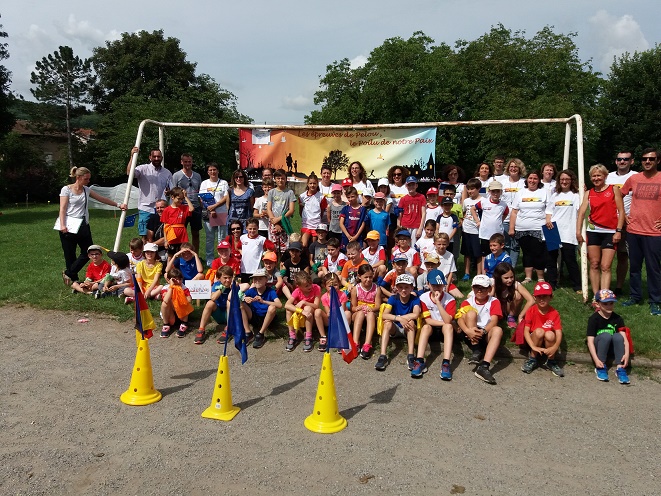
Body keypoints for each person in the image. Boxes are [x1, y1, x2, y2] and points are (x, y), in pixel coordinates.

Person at [58, 166, 127, 286]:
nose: (88, 181)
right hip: (68, 226)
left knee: (88, 251)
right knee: (70, 253)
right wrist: (62, 225)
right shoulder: (66, 190)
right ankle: (73, 279)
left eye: (89, 179)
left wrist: (118, 204)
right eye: (86, 179)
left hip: (83, 225)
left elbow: (102, 199)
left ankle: (69, 273)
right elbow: (62, 209)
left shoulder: (86, 190)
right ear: (78, 177)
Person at [619, 148, 661, 315]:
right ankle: (635, 296)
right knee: (635, 267)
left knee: (653, 268)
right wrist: (624, 216)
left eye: (651, 159)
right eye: (644, 159)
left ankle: (655, 301)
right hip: (634, 230)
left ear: (658, 161)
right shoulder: (634, 178)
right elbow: (619, 194)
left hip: (654, 233)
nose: (647, 162)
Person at [576, 164, 625, 302]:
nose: (596, 178)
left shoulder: (613, 189)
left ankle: (605, 295)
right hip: (593, 231)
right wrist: (578, 232)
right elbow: (581, 213)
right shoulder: (589, 193)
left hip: (610, 232)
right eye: (594, 176)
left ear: (605, 176)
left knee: (605, 266)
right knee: (595, 263)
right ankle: (596, 296)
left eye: (599, 175)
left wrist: (618, 231)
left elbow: (621, 211)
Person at [456, 274, 503, 385]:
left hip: (485, 332)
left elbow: (494, 320)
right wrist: (468, 331)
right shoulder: (468, 301)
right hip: (470, 332)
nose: (480, 290)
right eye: (477, 287)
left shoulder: (494, 301)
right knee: (471, 313)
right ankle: (476, 349)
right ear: (473, 288)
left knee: (498, 330)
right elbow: (460, 319)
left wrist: (484, 331)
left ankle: (484, 366)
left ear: (489, 289)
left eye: (483, 287)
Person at [412, 269, 457, 380]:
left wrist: (438, 303)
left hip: (445, 331)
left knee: (448, 326)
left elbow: (448, 321)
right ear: (428, 284)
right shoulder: (423, 298)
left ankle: (446, 363)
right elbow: (428, 320)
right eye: (434, 285)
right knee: (426, 327)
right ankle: (420, 360)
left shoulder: (450, 299)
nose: (437, 288)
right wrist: (445, 322)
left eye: (439, 285)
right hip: (431, 328)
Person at [509, 170, 552, 284]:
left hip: (538, 228)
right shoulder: (521, 192)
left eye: (535, 179)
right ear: (527, 180)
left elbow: (549, 210)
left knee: (538, 253)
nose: (532, 181)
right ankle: (528, 277)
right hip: (521, 228)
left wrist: (548, 220)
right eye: (530, 178)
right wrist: (511, 228)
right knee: (526, 253)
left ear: (539, 180)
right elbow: (514, 211)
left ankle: (540, 278)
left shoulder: (544, 192)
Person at [375, 273, 421, 372]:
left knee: (412, 323)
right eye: (400, 287)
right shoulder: (393, 298)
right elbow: (384, 315)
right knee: (387, 323)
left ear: (411, 288)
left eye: (406, 287)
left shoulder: (415, 299)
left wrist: (401, 318)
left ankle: (410, 355)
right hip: (395, 327)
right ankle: (383, 355)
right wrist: (399, 319)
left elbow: (416, 314)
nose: (403, 290)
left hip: (407, 328)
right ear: (396, 288)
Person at [606, 150, 637, 296]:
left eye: (626, 159)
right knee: (605, 256)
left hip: (628, 222)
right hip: (608, 222)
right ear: (615, 161)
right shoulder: (608, 177)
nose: (622, 161)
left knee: (623, 255)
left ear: (632, 161)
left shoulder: (636, 176)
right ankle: (604, 285)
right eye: (619, 159)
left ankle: (618, 286)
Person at [546, 170, 581, 292]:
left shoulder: (576, 196)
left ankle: (577, 285)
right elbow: (549, 211)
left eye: (567, 179)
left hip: (568, 232)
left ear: (571, 181)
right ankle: (551, 283)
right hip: (552, 231)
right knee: (551, 260)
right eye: (562, 179)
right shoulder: (554, 195)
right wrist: (548, 220)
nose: (564, 182)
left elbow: (580, 213)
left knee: (570, 260)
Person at [520, 282, 564, 377]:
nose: (542, 299)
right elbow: (526, 331)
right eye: (539, 296)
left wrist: (555, 347)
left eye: (545, 296)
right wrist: (533, 346)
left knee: (550, 334)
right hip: (534, 339)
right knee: (539, 331)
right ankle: (532, 358)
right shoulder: (531, 310)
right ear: (534, 297)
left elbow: (559, 332)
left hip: (548, 341)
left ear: (551, 297)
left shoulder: (554, 313)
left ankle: (551, 360)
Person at [587, 289, 631, 384]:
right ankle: (601, 366)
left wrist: (627, 354)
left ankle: (621, 368)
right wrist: (596, 359)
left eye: (611, 303)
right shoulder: (593, 319)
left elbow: (625, 339)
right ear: (598, 304)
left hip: (612, 347)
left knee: (618, 336)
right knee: (606, 336)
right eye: (605, 304)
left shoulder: (618, 318)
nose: (609, 306)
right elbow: (590, 341)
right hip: (599, 345)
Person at [127, 147, 172, 238]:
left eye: (158, 157)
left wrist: (169, 192)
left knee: (162, 235)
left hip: (161, 209)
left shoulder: (167, 173)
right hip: (146, 208)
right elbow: (129, 173)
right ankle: (145, 252)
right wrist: (132, 156)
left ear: (161, 158)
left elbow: (171, 189)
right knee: (145, 237)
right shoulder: (143, 169)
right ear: (150, 157)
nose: (156, 159)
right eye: (154, 156)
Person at [235, 268, 282, 349]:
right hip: (254, 316)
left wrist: (263, 301)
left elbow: (280, 305)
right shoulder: (251, 291)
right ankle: (248, 332)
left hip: (267, 317)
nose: (257, 281)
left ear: (266, 280)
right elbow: (237, 298)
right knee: (241, 304)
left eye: (260, 279)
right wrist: (244, 299)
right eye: (255, 279)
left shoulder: (271, 291)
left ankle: (261, 334)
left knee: (272, 308)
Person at [171, 153, 203, 253]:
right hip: (182, 207)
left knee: (196, 232)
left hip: (196, 207)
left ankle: (195, 254)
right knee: (181, 232)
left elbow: (200, 191)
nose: (188, 164)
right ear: (181, 162)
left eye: (189, 161)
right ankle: (180, 253)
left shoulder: (197, 176)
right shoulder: (176, 175)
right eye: (185, 162)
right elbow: (173, 190)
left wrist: (201, 206)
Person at [199, 162, 229, 266]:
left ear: (218, 171)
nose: (213, 172)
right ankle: (210, 260)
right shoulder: (204, 183)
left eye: (214, 169)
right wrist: (211, 210)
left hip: (221, 212)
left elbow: (226, 197)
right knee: (209, 238)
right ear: (208, 172)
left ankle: (222, 258)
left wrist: (215, 206)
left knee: (222, 237)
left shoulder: (224, 183)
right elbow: (202, 198)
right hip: (209, 213)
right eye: (210, 170)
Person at [351, 264, 382, 360]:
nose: (368, 279)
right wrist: (356, 308)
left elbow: (378, 306)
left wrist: (372, 309)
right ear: (359, 276)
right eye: (366, 277)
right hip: (358, 313)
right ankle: (355, 342)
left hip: (370, 312)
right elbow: (353, 307)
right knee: (360, 314)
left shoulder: (376, 289)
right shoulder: (356, 289)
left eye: (370, 277)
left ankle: (367, 344)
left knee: (370, 314)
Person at [285, 271, 321, 352]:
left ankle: (308, 336)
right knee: (288, 310)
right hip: (301, 317)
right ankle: (292, 336)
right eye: (306, 286)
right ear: (299, 286)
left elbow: (316, 306)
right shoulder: (297, 291)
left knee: (307, 308)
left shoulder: (316, 288)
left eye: (310, 283)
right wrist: (301, 311)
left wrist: (304, 302)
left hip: (312, 317)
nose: (310, 286)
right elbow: (287, 305)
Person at [315, 273, 352, 352]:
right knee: (317, 311)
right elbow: (327, 311)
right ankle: (323, 336)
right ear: (325, 286)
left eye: (335, 285)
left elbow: (342, 309)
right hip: (330, 319)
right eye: (329, 286)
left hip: (340, 319)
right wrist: (330, 313)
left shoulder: (342, 295)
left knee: (347, 313)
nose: (333, 288)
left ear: (339, 284)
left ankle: (342, 337)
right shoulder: (324, 297)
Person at [197, 266, 234, 344]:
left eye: (230, 277)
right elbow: (213, 298)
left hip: (231, 315)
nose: (228, 280)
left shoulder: (234, 285)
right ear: (219, 278)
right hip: (220, 313)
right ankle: (201, 330)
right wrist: (222, 288)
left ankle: (229, 330)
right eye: (225, 278)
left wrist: (234, 287)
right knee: (210, 303)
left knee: (230, 302)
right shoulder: (216, 285)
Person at [471, 181, 508, 260]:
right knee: (485, 255)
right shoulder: (484, 202)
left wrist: (499, 221)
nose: (495, 193)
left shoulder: (503, 204)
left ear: (501, 192)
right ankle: (484, 272)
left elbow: (506, 213)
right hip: (485, 234)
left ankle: (496, 271)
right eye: (493, 191)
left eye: (497, 191)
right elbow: (473, 209)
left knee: (498, 253)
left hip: (498, 234)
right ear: (489, 191)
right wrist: (478, 221)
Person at [493, 262, 534, 329]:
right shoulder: (492, 283)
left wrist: (521, 315)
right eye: (506, 278)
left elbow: (531, 300)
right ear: (499, 277)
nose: (510, 280)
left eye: (511, 277)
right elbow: (472, 295)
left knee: (517, 295)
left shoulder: (515, 284)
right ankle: (494, 317)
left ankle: (511, 317)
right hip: (497, 308)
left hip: (509, 308)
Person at [159, 267, 194, 338]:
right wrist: (171, 287)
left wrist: (182, 295)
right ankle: (166, 324)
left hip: (181, 314)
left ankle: (184, 324)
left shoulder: (184, 288)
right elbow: (165, 300)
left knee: (185, 302)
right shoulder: (166, 288)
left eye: (180, 279)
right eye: (175, 280)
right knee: (164, 304)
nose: (178, 282)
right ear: (169, 280)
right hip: (170, 314)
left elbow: (189, 300)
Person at [267, 169, 296, 253]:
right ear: (274, 179)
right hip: (273, 223)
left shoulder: (290, 192)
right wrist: (275, 222)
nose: (280, 180)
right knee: (272, 248)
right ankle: (273, 265)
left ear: (286, 179)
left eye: (282, 178)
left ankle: (283, 265)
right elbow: (269, 209)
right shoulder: (271, 192)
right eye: (278, 178)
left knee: (285, 249)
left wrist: (279, 219)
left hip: (284, 223)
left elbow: (291, 210)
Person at [161, 187, 194, 260]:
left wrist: (186, 197)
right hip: (172, 235)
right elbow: (165, 226)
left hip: (182, 235)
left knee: (183, 253)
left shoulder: (184, 208)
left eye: (182, 199)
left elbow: (191, 209)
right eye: (179, 199)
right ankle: (168, 270)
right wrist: (166, 240)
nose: (180, 201)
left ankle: (181, 269)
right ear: (172, 197)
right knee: (171, 255)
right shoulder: (167, 210)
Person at [240, 217, 275, 282]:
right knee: (244, 285)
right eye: (250, 229)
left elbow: (272, 247)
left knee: (256, 286)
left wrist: (265, 254)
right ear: (246, 228)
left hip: (256, 268)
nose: (252, 231)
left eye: (254, 229)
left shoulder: (262, 239)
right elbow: (238, 247)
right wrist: (243, 253)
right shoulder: (243, 238)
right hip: (244, 268)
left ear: (258, 228)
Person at [461, 178, 483, 280]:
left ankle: (479, 273)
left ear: (478, 189)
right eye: (468, 189)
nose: (470, 191)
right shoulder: (466, 201)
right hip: (466, 230)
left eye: (472, 189)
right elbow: (464, 212)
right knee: (467, 253)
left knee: (478, 253)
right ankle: (466, 273)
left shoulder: (483, 201)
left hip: (477, 231)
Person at [299, 174, 327, 249]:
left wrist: (317, 219)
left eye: (314, 183)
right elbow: (300, 210)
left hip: (316, 225)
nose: (312, 185)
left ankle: (312, 260)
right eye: (310, 183)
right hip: (306, 224)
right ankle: (305, 260)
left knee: (314, 246)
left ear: (317, 184)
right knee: (304, 245)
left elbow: (322, 211)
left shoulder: (321, 197)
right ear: (307, 184)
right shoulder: (302, 196)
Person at [397, 175, 426, 243]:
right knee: (405, 245)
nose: (411, 187)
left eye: (413, 185)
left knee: (414, 246)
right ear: (406, 186)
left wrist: (420, 228)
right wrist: (399, 226)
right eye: (409, 185)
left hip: (416, 225)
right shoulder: (403, 199)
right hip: (405, 225)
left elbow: (423, 213)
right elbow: (400, 214)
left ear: (416, 185)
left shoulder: (421, 197)